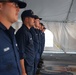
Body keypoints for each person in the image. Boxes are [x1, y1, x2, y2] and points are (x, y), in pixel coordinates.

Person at [0, 0, 27, 75]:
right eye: (15, 4)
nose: (18, 10)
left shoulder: (10, 33)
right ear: (0, 5)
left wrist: (23, 72)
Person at [16, 10, 35, 75]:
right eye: (32, 18)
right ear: (26, 19)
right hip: (26, 67)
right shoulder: (22, 33)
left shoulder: (27, 32)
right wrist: (23, 72)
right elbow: (20, 53)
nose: (34, 20)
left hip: (30, 64)